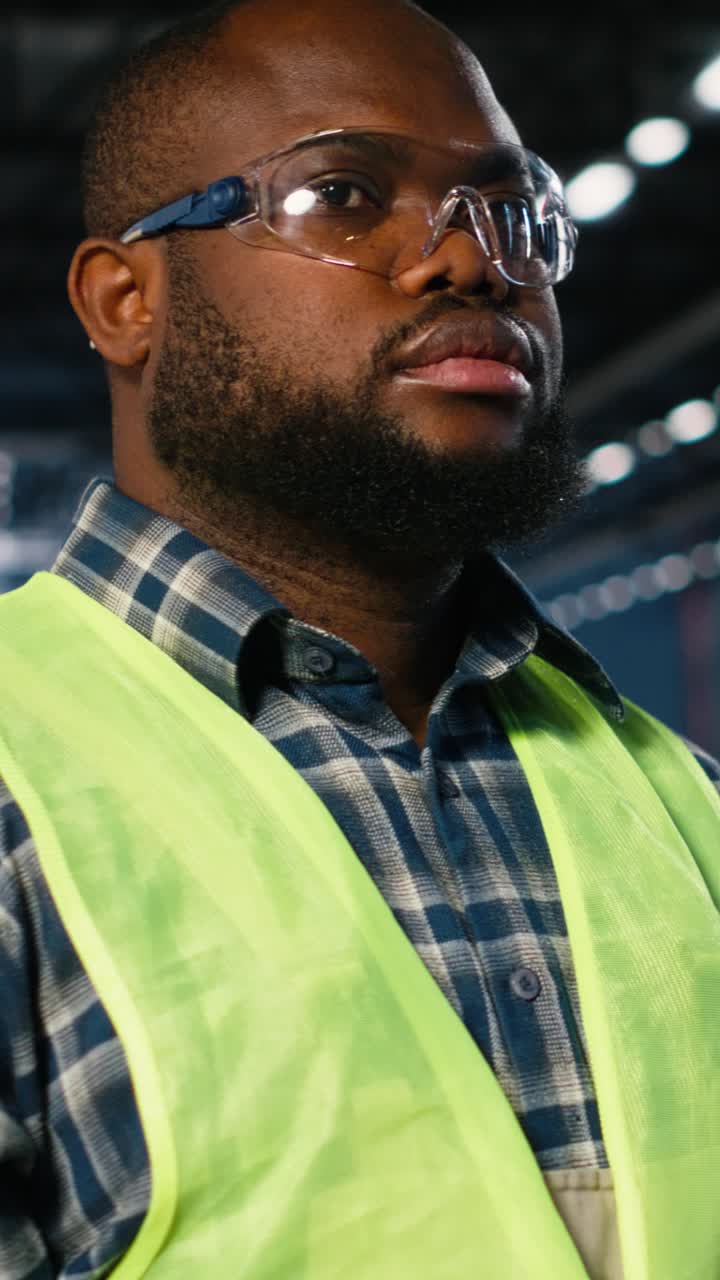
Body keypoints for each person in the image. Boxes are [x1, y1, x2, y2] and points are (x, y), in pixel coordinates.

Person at [0, 0, 718, 1276]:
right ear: (125, 301)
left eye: (514, 214)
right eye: (342, 195)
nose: (469, 262)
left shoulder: (680, 802)